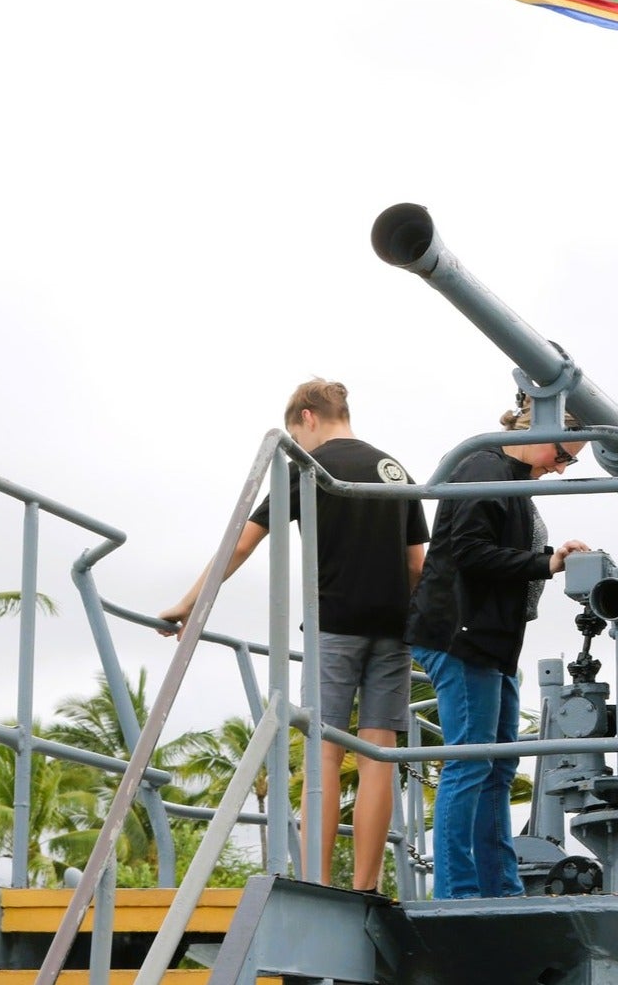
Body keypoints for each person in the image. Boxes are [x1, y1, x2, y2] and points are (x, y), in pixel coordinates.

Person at [161, 379, 427, 893]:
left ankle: (319, 882)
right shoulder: (396, 469)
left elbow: (242, 543)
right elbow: (416, 563)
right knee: (380, 753)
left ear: (307, 417)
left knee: (323, 751)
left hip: (334, 625)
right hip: (394, 628)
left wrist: (188, 603)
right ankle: (367, 886)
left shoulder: (308, 468)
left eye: (297, 434)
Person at [409, 396, 589, 899]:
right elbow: (467, 552)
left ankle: (499, 886)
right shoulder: (484, 467)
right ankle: (458, 892)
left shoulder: (508, 478)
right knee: (470, 763)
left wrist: (550, 557)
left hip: (491, 644)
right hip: (463, 637)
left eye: (569, 461)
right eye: (562, 453)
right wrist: (543, 563)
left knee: (498, 764)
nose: (561, 466)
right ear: (535, 433)